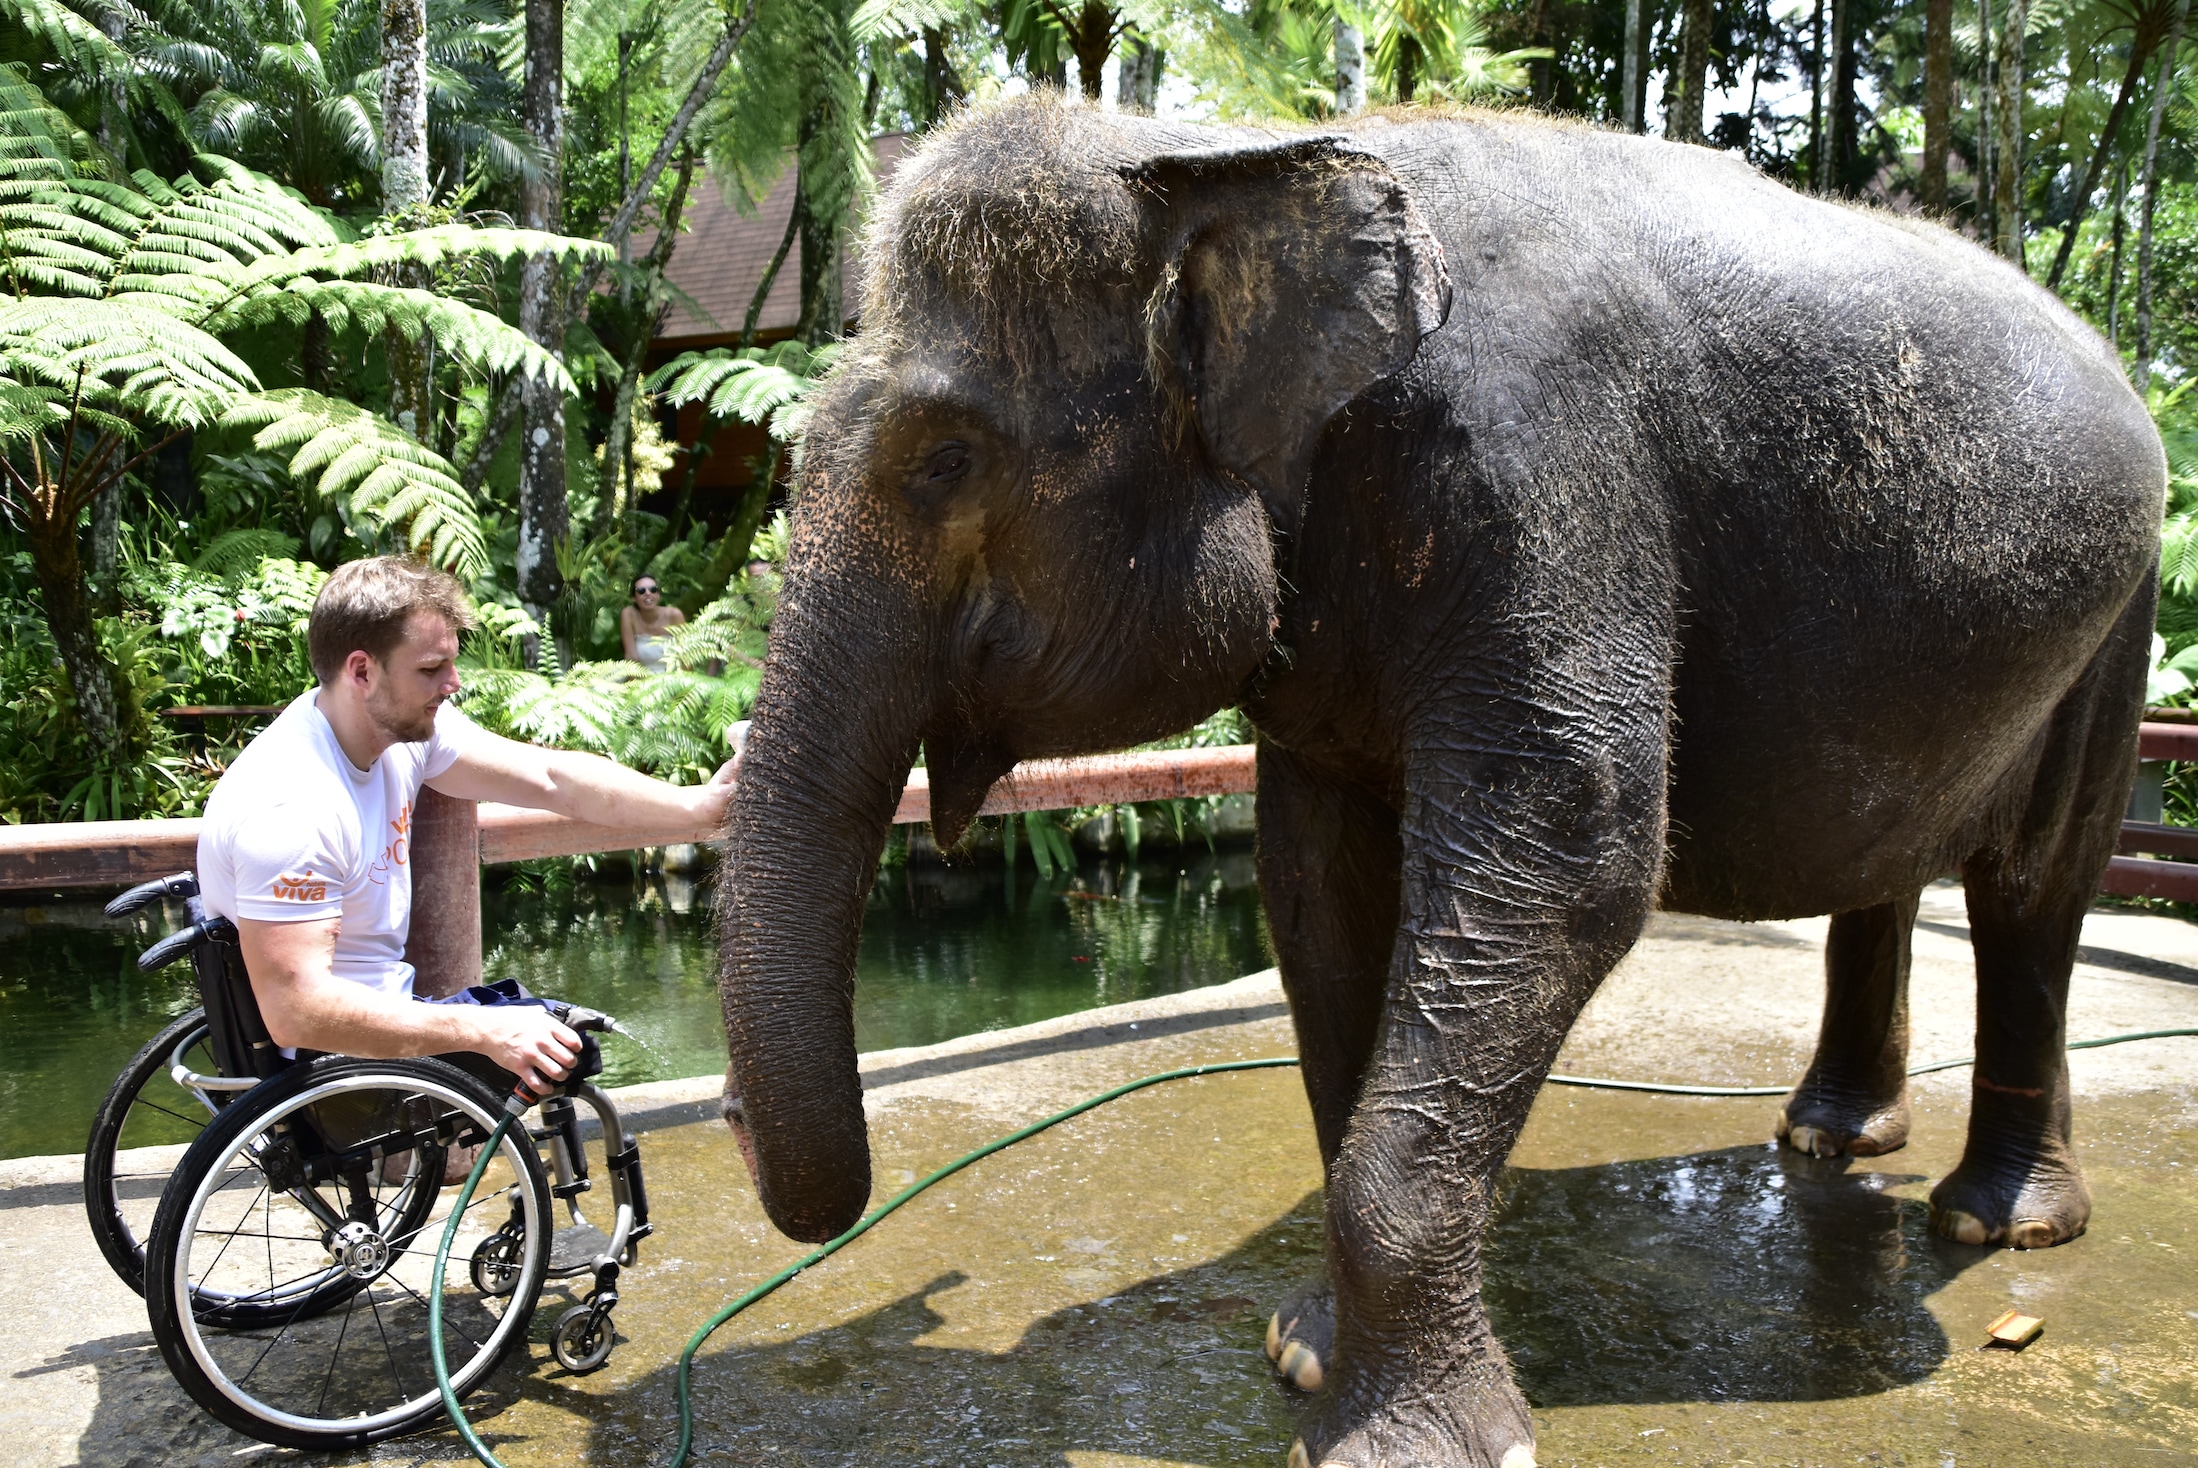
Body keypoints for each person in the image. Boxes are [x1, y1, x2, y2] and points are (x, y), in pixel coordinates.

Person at [197, 557, 736, 1097]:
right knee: (564, 1056)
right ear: (361, 672)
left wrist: (699, 807)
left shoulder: (396, 732)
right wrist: (485, 1032)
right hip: (336, 1072)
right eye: (431, 670)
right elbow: (299, 1012)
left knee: (566, 1041)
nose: (452, 684)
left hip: (389, 1016)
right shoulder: (292, 810)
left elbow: (550, 777)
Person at [620, 573, 685, 674]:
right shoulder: (629, 614)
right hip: (639, 674)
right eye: (641, 591)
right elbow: (631, 657)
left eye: (653, 590)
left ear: (658, 594)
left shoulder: (674, 615)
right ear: (633, 598)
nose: (648, 593)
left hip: (671, 677)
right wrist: (635, 686)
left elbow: (686, 654)